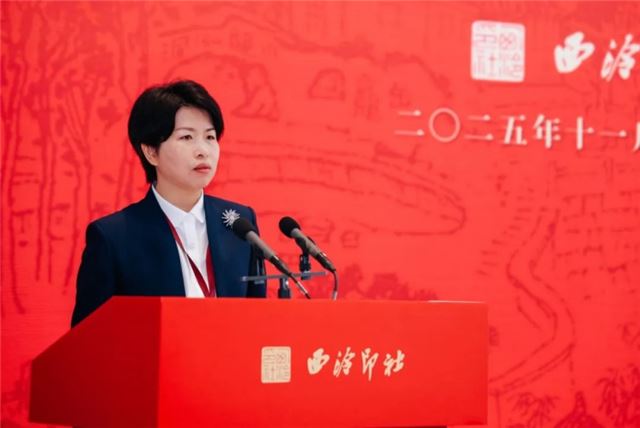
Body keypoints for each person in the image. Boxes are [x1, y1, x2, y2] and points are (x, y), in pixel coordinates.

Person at [71, 80, 266, 327]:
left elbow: (258, 321)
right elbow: (88, 337)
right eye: (186, 137)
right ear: (151, 152)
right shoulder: (114, 237)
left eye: (210, 137)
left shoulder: (239, 223)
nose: (203, 150)